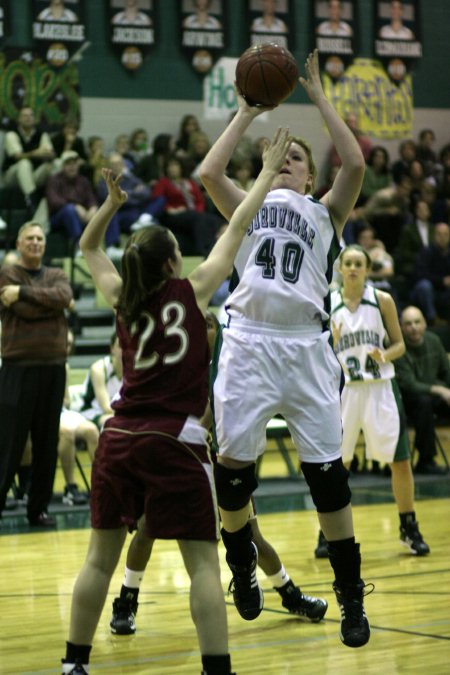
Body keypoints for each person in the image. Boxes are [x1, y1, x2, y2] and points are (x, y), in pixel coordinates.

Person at [61, 127, 292, 675]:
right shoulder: (194, 290)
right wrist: (264, 172)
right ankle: (217, 668)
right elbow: (238, 225)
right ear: (172, 265)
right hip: (176, 438)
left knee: (99, 558)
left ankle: (74, 664)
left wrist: (111, 206)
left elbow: (89, 246)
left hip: (119, 437)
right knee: (203, 567)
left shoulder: (121, 298)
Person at [199, 49, 371, 649]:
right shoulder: (247, 209)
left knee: (328, 480)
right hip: (248, 343)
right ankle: (242, 565)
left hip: (304, 346)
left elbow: (353, 161)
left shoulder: (326, 213)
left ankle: (352, 595)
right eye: (276, 159)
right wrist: (246, 113)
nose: (284, 162)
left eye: (294, 158)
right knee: (233, 472)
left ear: (307, 177)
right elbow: (208, 172)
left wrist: (318, 95)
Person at [109, 311, 328, 635]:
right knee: (147, 529)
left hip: (223, 464)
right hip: (182, 459)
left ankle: (290, 595)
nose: (206, 330)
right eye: (202, 325)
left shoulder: (235, 364)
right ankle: (126, 603)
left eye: (211, 325)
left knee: (251, 536)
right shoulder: (178, 366)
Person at [320, 245, 430, 558]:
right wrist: (333, 342)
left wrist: (385, 354)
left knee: (400, 460)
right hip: (343, 391)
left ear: (367, 269)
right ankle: (326, 532)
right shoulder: (327, 303)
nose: (353, 268)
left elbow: (399, 345)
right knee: (334, 464)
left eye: (359, 263)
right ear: (340, 268)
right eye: (348, 263)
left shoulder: (382, 300)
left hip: (380, 387)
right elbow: (317, 352)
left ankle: (409, 527)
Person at [0, 222, 73, 527]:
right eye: (29, 238)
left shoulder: (57, 274)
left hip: (53, 368)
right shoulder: (6, 274)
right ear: (18, 243)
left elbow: (64, 296)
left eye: (40, 238)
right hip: (18, 368)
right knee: (9, 442)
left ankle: (38, 509)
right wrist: (49, 302)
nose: (35, 243)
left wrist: (24, 294)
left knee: (47, 442)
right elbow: (49, 304)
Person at [396, 306, 450, 475]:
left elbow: (446, 371)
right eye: (408, 323)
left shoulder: (433, 340)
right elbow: (410, 384)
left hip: (434, 394)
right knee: (423, 403)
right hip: (409, 400)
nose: (413, 327)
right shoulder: (399, 348)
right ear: (401, 327)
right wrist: (441, 390)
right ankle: (426, 461)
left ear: (425, 323)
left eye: (417, 322)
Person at [59, 330, 99, 506]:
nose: (66, 348)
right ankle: (70, 487)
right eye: (64, 344)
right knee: (67, 432)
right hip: (44, 414)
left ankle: (101, 487)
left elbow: (66, 401)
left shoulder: (64, 367)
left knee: (91, 430)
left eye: (69, 345)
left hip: (61, 411)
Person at [1, 106, 55, 215]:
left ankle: (55, 197)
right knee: (24, 163)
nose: (28, 118)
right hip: (12, 177)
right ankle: (32, 201)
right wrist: (35, 153)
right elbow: (17, 156)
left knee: (52, 165)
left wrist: (48, 154)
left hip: (33, 176)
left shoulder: (41, 134)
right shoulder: (12, 134)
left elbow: (50, 153)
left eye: (30, 115)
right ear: (19, 119)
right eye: (25, 116)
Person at [46, 150, 99, 248]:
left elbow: (91, 199)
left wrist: (93, 208)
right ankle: (78, 245)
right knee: (69, 210)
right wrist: (75, 207)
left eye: (74, 164)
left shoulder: (83, 181)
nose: (72, 167)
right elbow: (54, 201)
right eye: (68, 164)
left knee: (104, 211)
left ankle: (109, 246)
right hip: (58, 217)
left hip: (83, 216)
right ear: (63, 166)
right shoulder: (54, 180)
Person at [78, 332, 123, 430]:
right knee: (114, 422)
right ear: (112, 349)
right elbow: (106, 407)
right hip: (92, 410)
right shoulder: (99, 368)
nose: (124, 350)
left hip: (118, 412)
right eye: (120, 346)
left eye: (127, 346)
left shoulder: (133, 370)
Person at [410, 222, 450, 324]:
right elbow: (420, 274)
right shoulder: (426, 251)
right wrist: (442, 281)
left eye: (445, 234)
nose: (442, 237)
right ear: (434, 236)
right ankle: (433, 318)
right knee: (425, 285)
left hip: (443, 292)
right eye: (439, 234)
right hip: (424, 291)